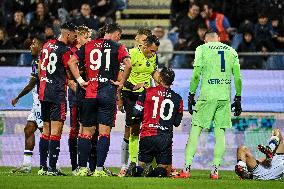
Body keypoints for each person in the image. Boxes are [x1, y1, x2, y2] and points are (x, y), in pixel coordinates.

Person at [175, 30, 242, 179]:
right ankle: (215, 171)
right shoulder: (231, 51)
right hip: (224, 97)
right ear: (219, 39)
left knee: (195, 131)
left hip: (207, 96)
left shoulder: (202, 49)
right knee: (220, 134)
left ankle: (186, 169)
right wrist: (238, 97)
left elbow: (196, 74)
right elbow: (237, 78)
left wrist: (191, 94)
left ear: (205, 40)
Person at [68, 23, 132, 177]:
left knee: (86, 133)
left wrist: (80, 80)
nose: (119, 38)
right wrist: (122, 82)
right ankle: (98, 169)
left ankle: (82, 169)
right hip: (107, 93)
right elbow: (128, 64)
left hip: (89, 93)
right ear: (115, 33)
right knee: (104, 133)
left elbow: (71, 62)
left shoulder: (88, 45)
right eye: (119, 35)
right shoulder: (118, 47)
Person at [38, 22, 77, 176]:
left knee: (45, 131)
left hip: (43, 93)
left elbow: (41, 67)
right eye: (74, 35)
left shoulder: (47, 45)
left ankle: (43, 167)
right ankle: (52, 168)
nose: (74, 38)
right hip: (57, 94)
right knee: (56, 131)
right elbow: (69, 74)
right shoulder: (65, 50)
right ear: (67, 34)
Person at [119, 35, 160, 177]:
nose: (153, 54)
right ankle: (132, 162)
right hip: (131, 95)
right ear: (145, 46)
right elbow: (120, 76)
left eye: (155, 51)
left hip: (146, 96)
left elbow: (153, 72)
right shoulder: (131, 54)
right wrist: (133, 86)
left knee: (149, 128)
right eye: (152, 51)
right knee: (134, 128)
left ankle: (146, 163)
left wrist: (162, 84)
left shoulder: (153, 56)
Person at [130, 67, 183, 177]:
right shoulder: (178, 98)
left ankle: (137, 170)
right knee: (164, 170)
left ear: (160, 78)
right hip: (164, 138)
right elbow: (177, 122)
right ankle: (156, 173)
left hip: (147, 135)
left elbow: (136, 112)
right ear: (172, 81)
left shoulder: (146, 92)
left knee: (142, 165)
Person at [10, 37, 43, 173]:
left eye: (34, 44)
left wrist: (18, 97)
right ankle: (27, 165)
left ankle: (52, 165)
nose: (30, 47)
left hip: (42, 100)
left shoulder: (42, 60)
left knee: (45, 133)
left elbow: (31, 84)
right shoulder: (35, 61)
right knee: (29, 129)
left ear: (41, 46)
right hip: (36, 100)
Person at [67, 25, 92, 174]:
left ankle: (88, 165)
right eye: (87, 37)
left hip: (89, 96)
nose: (90, 40)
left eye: (90, 37)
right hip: (77, 97)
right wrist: (82, 89)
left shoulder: (90, 52)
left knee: (89, 130)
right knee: (76, 130)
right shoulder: (72, 53)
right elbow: (70, 80)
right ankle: (75, 166)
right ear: (79, 37)